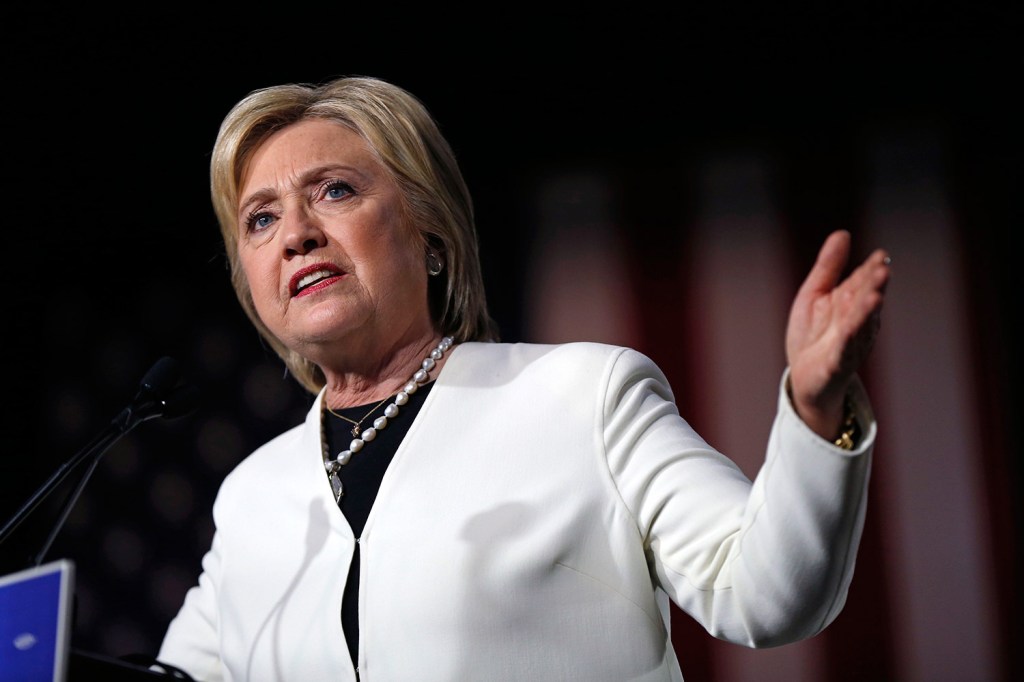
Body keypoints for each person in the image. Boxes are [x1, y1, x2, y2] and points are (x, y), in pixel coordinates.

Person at [155, 74, 891, 682]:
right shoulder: (253, 497)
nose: (296, 234)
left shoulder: (581, 396)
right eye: (259, 220)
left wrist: (814, 410)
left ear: (430, 232)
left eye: (335, 191)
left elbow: (766, 594)